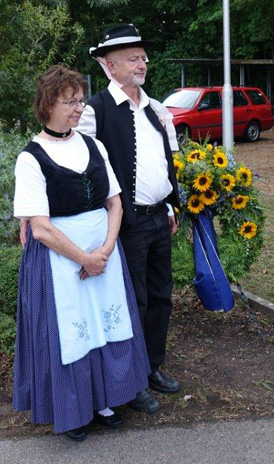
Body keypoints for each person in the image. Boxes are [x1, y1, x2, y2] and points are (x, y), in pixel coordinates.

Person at [12, 65, 150, 442]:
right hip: (60, 261)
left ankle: (105, 399)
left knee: (105, 325)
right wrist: (84, 258)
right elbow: (40, 227)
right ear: (47, 104)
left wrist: (105, 250)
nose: (78, 108)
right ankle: (73, 410)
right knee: (72, 333)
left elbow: (115, 203)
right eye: (69, 102)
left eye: (79, 100)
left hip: (103, 253)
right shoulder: (30, 158)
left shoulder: (94, 146)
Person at [77, 23, 182, 414]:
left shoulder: (156, 109)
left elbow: (165, 164)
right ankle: (132, 379)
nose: (143, 63)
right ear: (110, 66)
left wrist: (171, 205)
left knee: (160, 297)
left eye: (143, 57)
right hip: (127, 224)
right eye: (133, 58)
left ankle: (153, 365)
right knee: (131, 302)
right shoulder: (95, 112)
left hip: (159, 219)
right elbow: (78, 164)